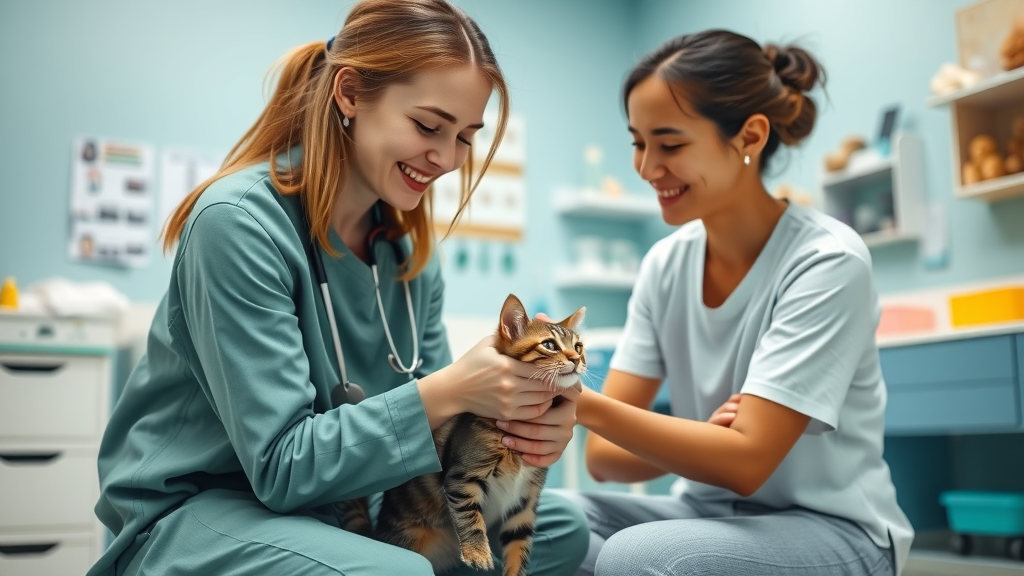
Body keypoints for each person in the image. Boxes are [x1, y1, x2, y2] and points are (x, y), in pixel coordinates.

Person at [86, 1, 588, 574]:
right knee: (398, 572)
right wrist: (450, 391)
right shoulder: (238, 224)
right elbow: (281, 469)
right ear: (349, 94)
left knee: (561, 531)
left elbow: (440, 449)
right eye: (428, 126)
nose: (447, 158)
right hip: (202, 508)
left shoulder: (408, 259)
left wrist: (522, 427)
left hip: (345, 502)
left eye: (465, 137)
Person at [551, 30, 914, 576]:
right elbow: (604, 459)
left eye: (670, 144)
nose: (648, 167)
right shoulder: (665, 265)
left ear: (749, 136)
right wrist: (704, 440)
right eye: (637, 142)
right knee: (541, 523)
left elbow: (745, 466)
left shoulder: (826, 260)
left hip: (836, 527)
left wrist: (579, 401)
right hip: (707, 510)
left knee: (636, 558)